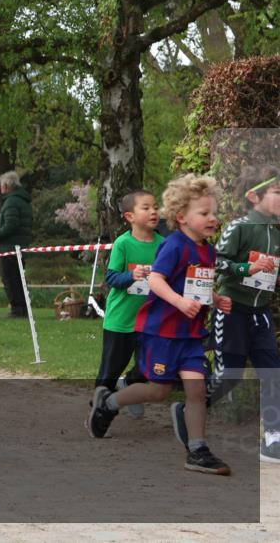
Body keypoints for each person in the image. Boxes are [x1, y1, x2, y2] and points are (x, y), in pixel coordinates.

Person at [87, 174, 233, 476]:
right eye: (204, 213)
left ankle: (197, 450)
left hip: (190, 334)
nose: (212, 218)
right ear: (181, 217)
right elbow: (155, 279)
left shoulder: (207, 249)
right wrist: (179, 303)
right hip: (162, 333)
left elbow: (196, 285)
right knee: (157, 392)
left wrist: (215, 298)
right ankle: (109, 403)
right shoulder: (174, 246)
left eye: (213, 213)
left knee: (196, 389)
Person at [170, 166, 280, 463]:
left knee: (273, 372)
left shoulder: (277, 230)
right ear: (254, 196)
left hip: (261, 312)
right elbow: (216, 262)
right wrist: (247, 268)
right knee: (228, 376)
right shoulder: (240, 227)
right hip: (233, 311)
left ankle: (273, 438)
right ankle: (193, 407)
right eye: (278, 192)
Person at [93, 190, 160, 415]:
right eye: (146, 207)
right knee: (110, 371)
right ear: (130, 216)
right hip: (121, 320)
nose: (153, 211)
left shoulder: (164, 244)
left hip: (151, 321)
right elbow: (111, 278)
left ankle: (130, 387)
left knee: (148, 367)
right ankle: (98, 409)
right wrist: (132, 275)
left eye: (155, 207)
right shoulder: (123, 243)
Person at [0, 170, 33, 318]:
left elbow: (11, 224)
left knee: (10, 279)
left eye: (1, 185)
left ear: (7, 185)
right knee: (19, 278)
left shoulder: (11, 201)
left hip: (10, 246)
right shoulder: (23, 200)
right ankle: (23, 308)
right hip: (21, 245)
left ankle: (17, 309)